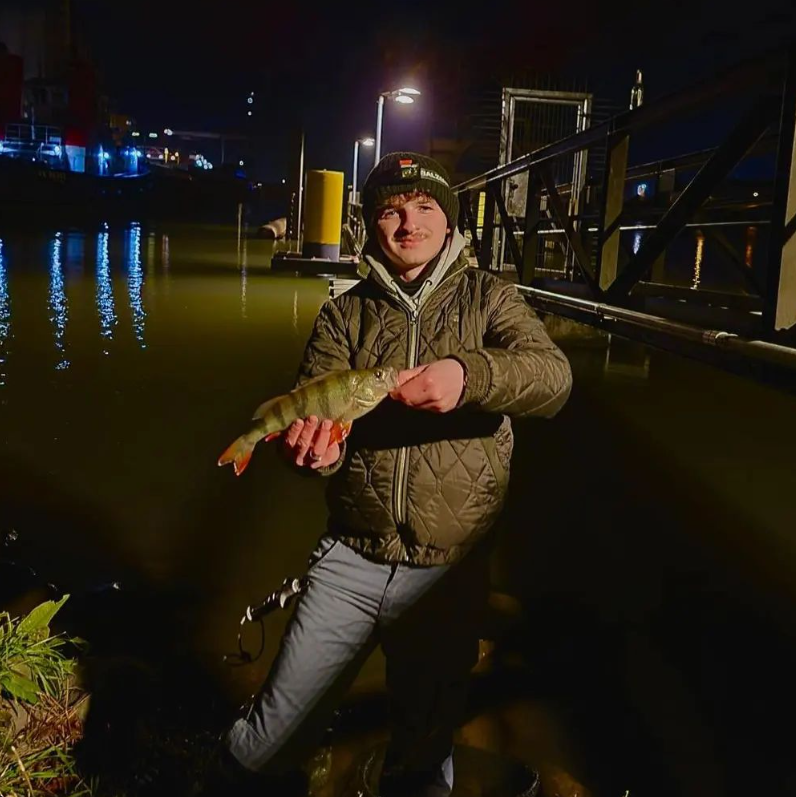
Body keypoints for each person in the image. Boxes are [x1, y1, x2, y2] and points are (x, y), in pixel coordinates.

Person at [210, 152, 572, 797]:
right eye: (390, 211)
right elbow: (319, 428)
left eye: (425, 207)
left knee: (424, 752)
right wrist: (315, 456)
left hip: (449, 569)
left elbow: (552, 380)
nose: (409, 223)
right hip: (351, 555)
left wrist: (470, 375)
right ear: (372, 227)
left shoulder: (493, 298)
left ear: (448, 220)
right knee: (265, 742)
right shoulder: (343, 315)